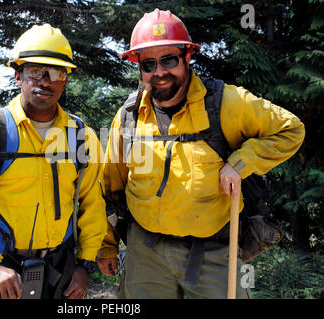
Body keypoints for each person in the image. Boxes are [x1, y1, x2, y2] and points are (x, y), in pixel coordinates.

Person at [96, 9, 305, 299]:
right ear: (139, 68)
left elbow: (290, 129)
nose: (159, 72)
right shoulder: (129, 117)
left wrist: (240, 163)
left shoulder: (226, 103)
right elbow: (111, 189)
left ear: (187, 58)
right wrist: (106, 245)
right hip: (145, 255)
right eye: (148, 64)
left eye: (169, 60)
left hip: (214, 254)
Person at [0, 24, 107, 299]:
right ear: (18, 75)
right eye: (35, 71)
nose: (45, 81)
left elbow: (93, 204)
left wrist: (85, 264)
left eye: (56, 72)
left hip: (59, 271)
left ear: (65, 79)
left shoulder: (82, 137)